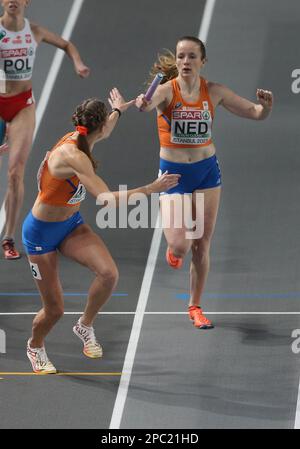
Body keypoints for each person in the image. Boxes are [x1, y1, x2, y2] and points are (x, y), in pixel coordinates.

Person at [22, 89, 180, 374]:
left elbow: (106, 131)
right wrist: (151, 189)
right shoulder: (74, 155)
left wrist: (119, 109)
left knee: (109, 274)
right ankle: (35, 345)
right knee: (55, 309)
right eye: (106, 120)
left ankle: (84, 325)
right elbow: (106, 199)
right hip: (40, 235)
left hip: (70, 225)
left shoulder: (87, 137)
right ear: (98, 124)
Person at [135, 36, 273, 329]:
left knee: (201, 245)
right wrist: (142, 103)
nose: (185, 61)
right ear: (177, 60)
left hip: (207, 173)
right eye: (181, 56)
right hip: (174, 175)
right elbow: (147, 107)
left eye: (191, 57)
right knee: (181, 245)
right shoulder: (165, 91)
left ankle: (195, 306)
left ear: (202, 61)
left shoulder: (214, 91)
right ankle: (174, 250)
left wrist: (267, 106)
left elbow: (256, 114)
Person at [0, 0, 90, 259]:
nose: (12, 1)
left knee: (15, 173)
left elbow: (66, 44)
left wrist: (78, 63)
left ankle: (8, 237)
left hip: (22, 107)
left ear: (27, 2)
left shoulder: (35, 32)